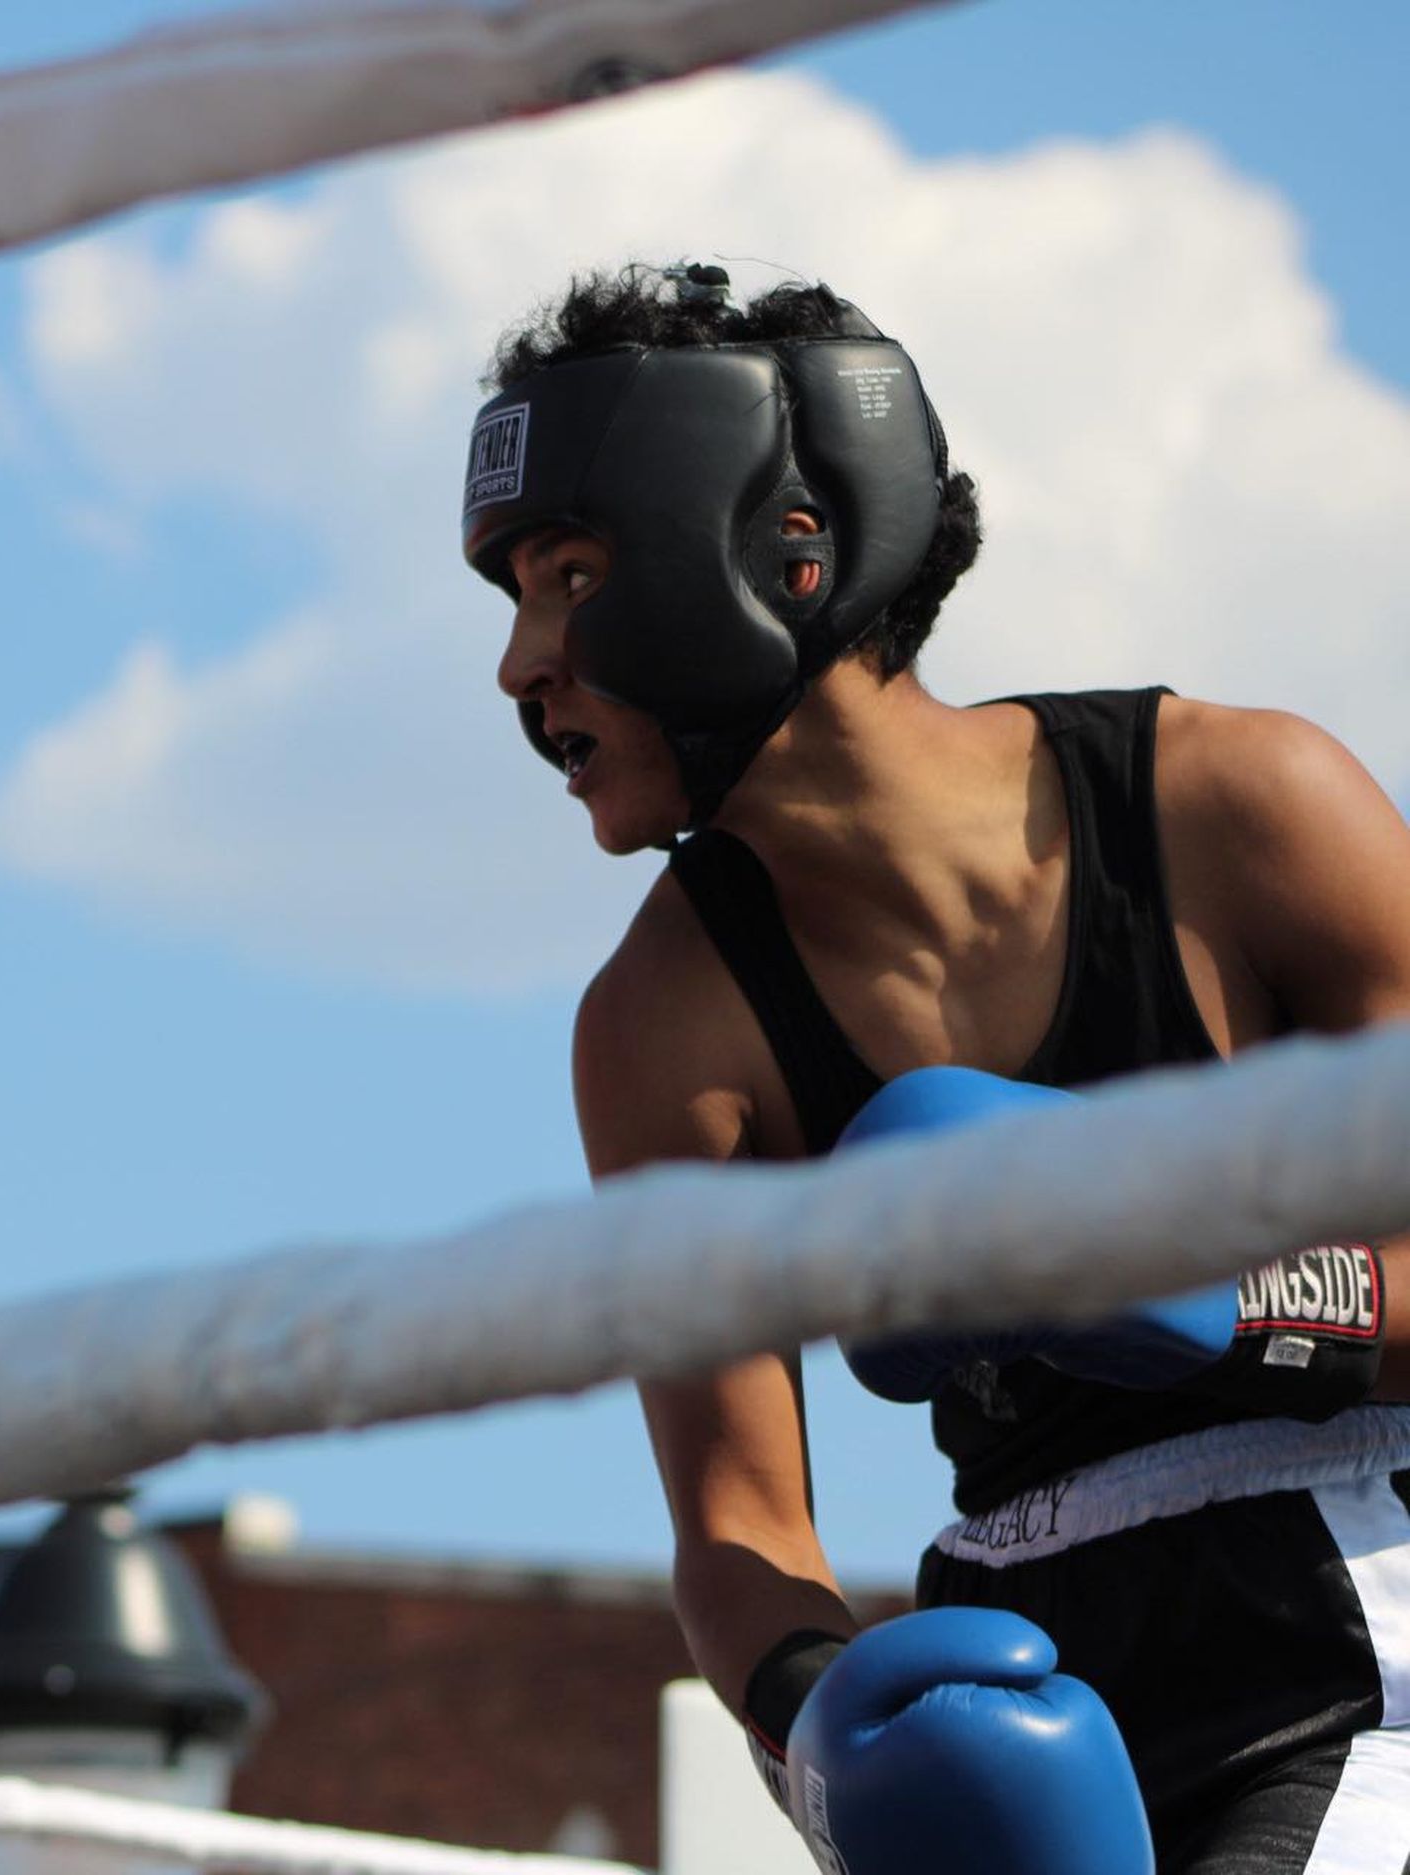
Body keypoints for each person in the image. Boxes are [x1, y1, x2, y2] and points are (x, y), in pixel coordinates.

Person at [465, 261, 1410, 1873]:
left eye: (567, 577)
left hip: (1349, 1601)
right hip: (1023, 1659)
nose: (523, 665)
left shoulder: (1246, 811)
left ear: (775, 542)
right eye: (512, 601)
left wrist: (1228, 1290)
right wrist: (824, 1718)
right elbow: (737, 1525)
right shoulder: (661, 1028)